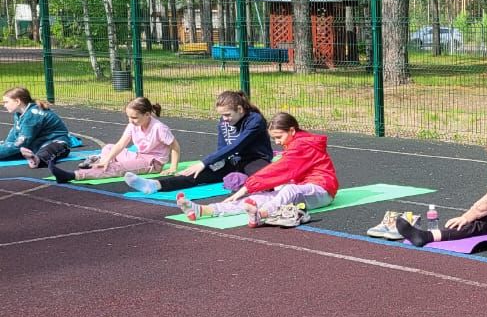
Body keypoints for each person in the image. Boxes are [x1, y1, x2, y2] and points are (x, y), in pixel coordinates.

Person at [176, 111, 338, 226]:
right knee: (257, 198)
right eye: (274, 138)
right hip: (302, 188)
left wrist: (247, 187)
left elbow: (280, 169)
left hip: (322, 190)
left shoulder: (303, 145)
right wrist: (250, 189)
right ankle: (204, 210)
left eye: (279, 137)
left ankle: (261, 214)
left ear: (292, 130)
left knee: (289, 190)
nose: (277, 142)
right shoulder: (295, 143)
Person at [124, 90, 271, 195]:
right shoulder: (224, 121)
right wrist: (210, 165)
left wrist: (204, 162)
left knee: (266, 179)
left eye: (227, 115)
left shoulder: (255, 120)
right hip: (233, 161)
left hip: (254, 160)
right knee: (195, 173)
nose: (224, 119)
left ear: (239, 109)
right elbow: (222, 148)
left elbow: (237, 145)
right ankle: (155, 185)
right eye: (222, 115)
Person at [51, 97, 179, 183]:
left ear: (147, 114)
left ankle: (74, 175)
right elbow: (121, 144)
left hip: (152, 163)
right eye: (128, 117)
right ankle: (100, 163)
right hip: (138, 156)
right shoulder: (132, 125)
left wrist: (173, 167)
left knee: (117, 168)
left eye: (134, 117)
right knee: (108, 148)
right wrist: (106, 159)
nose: (131, 121)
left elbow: (175, 147)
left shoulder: (159, 128)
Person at [1, 87, 72, 168]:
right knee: (9, 152)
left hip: (56, 142)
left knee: (48, 150)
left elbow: (22, 142)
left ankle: (37, 160)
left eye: (6, 102)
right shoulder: (19, 114)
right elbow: (12, 138)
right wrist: (5, 146)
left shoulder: (32, 115)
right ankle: (32, 155)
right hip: (36, 145)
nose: (4, 105)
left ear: (17, 101)